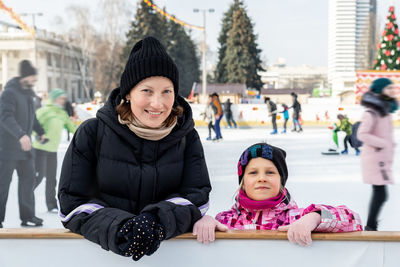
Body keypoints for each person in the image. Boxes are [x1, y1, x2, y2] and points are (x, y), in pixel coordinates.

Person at [57, 36, 212, 261]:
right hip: (103, 259)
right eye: (147, 91)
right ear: (128, 93)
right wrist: (121, 227)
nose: (158, 103)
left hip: (171, 260)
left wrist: (156, 221)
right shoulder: (92, 133)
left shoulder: (187, 137)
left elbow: (197, 198)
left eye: (167, 91)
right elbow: (72, 205)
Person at [194, 143, 362, 244]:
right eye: (253, 173)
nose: (262, 178)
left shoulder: (297, 217)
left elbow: (353, 219)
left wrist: (315, 217)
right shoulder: (225, 221)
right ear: (242, 181)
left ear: (281, 180)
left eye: (270, 172)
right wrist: (205, 220)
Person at [0, 60, 47, 228]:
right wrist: (20, 135)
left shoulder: (28, 94)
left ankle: (28, 216)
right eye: (33, 77)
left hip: (25, 150)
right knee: (3, 184)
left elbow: (31, 118)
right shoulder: (9, 93)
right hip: (7, 148)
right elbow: (5, 117)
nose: (35, 80)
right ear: (25, 76)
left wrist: (40, 132)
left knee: (28, 181)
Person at [357, 78, 398, 231]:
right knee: (381, 194)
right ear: (380, 90)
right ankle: (370, 226)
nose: (392, 91)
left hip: (381, 158)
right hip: (375, 159)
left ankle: (371, 225)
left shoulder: (385, 110)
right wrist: (383, 143)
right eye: (388, 88)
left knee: (380, 193)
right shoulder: (372, 111)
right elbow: (362, 134)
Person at [33, 89, 77, 212]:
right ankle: (26, 197)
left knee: (52, 178)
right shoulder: (44, 110)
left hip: (52, 150)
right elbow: (32, 124)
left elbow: (72, 127)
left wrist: (87, 131)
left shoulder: (61, 113)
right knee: (39, 176)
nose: (63, 101)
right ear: (54, 99)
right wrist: (38, 135)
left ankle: (51, 204)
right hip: (40, 148)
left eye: (64, 98)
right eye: (60, 98)